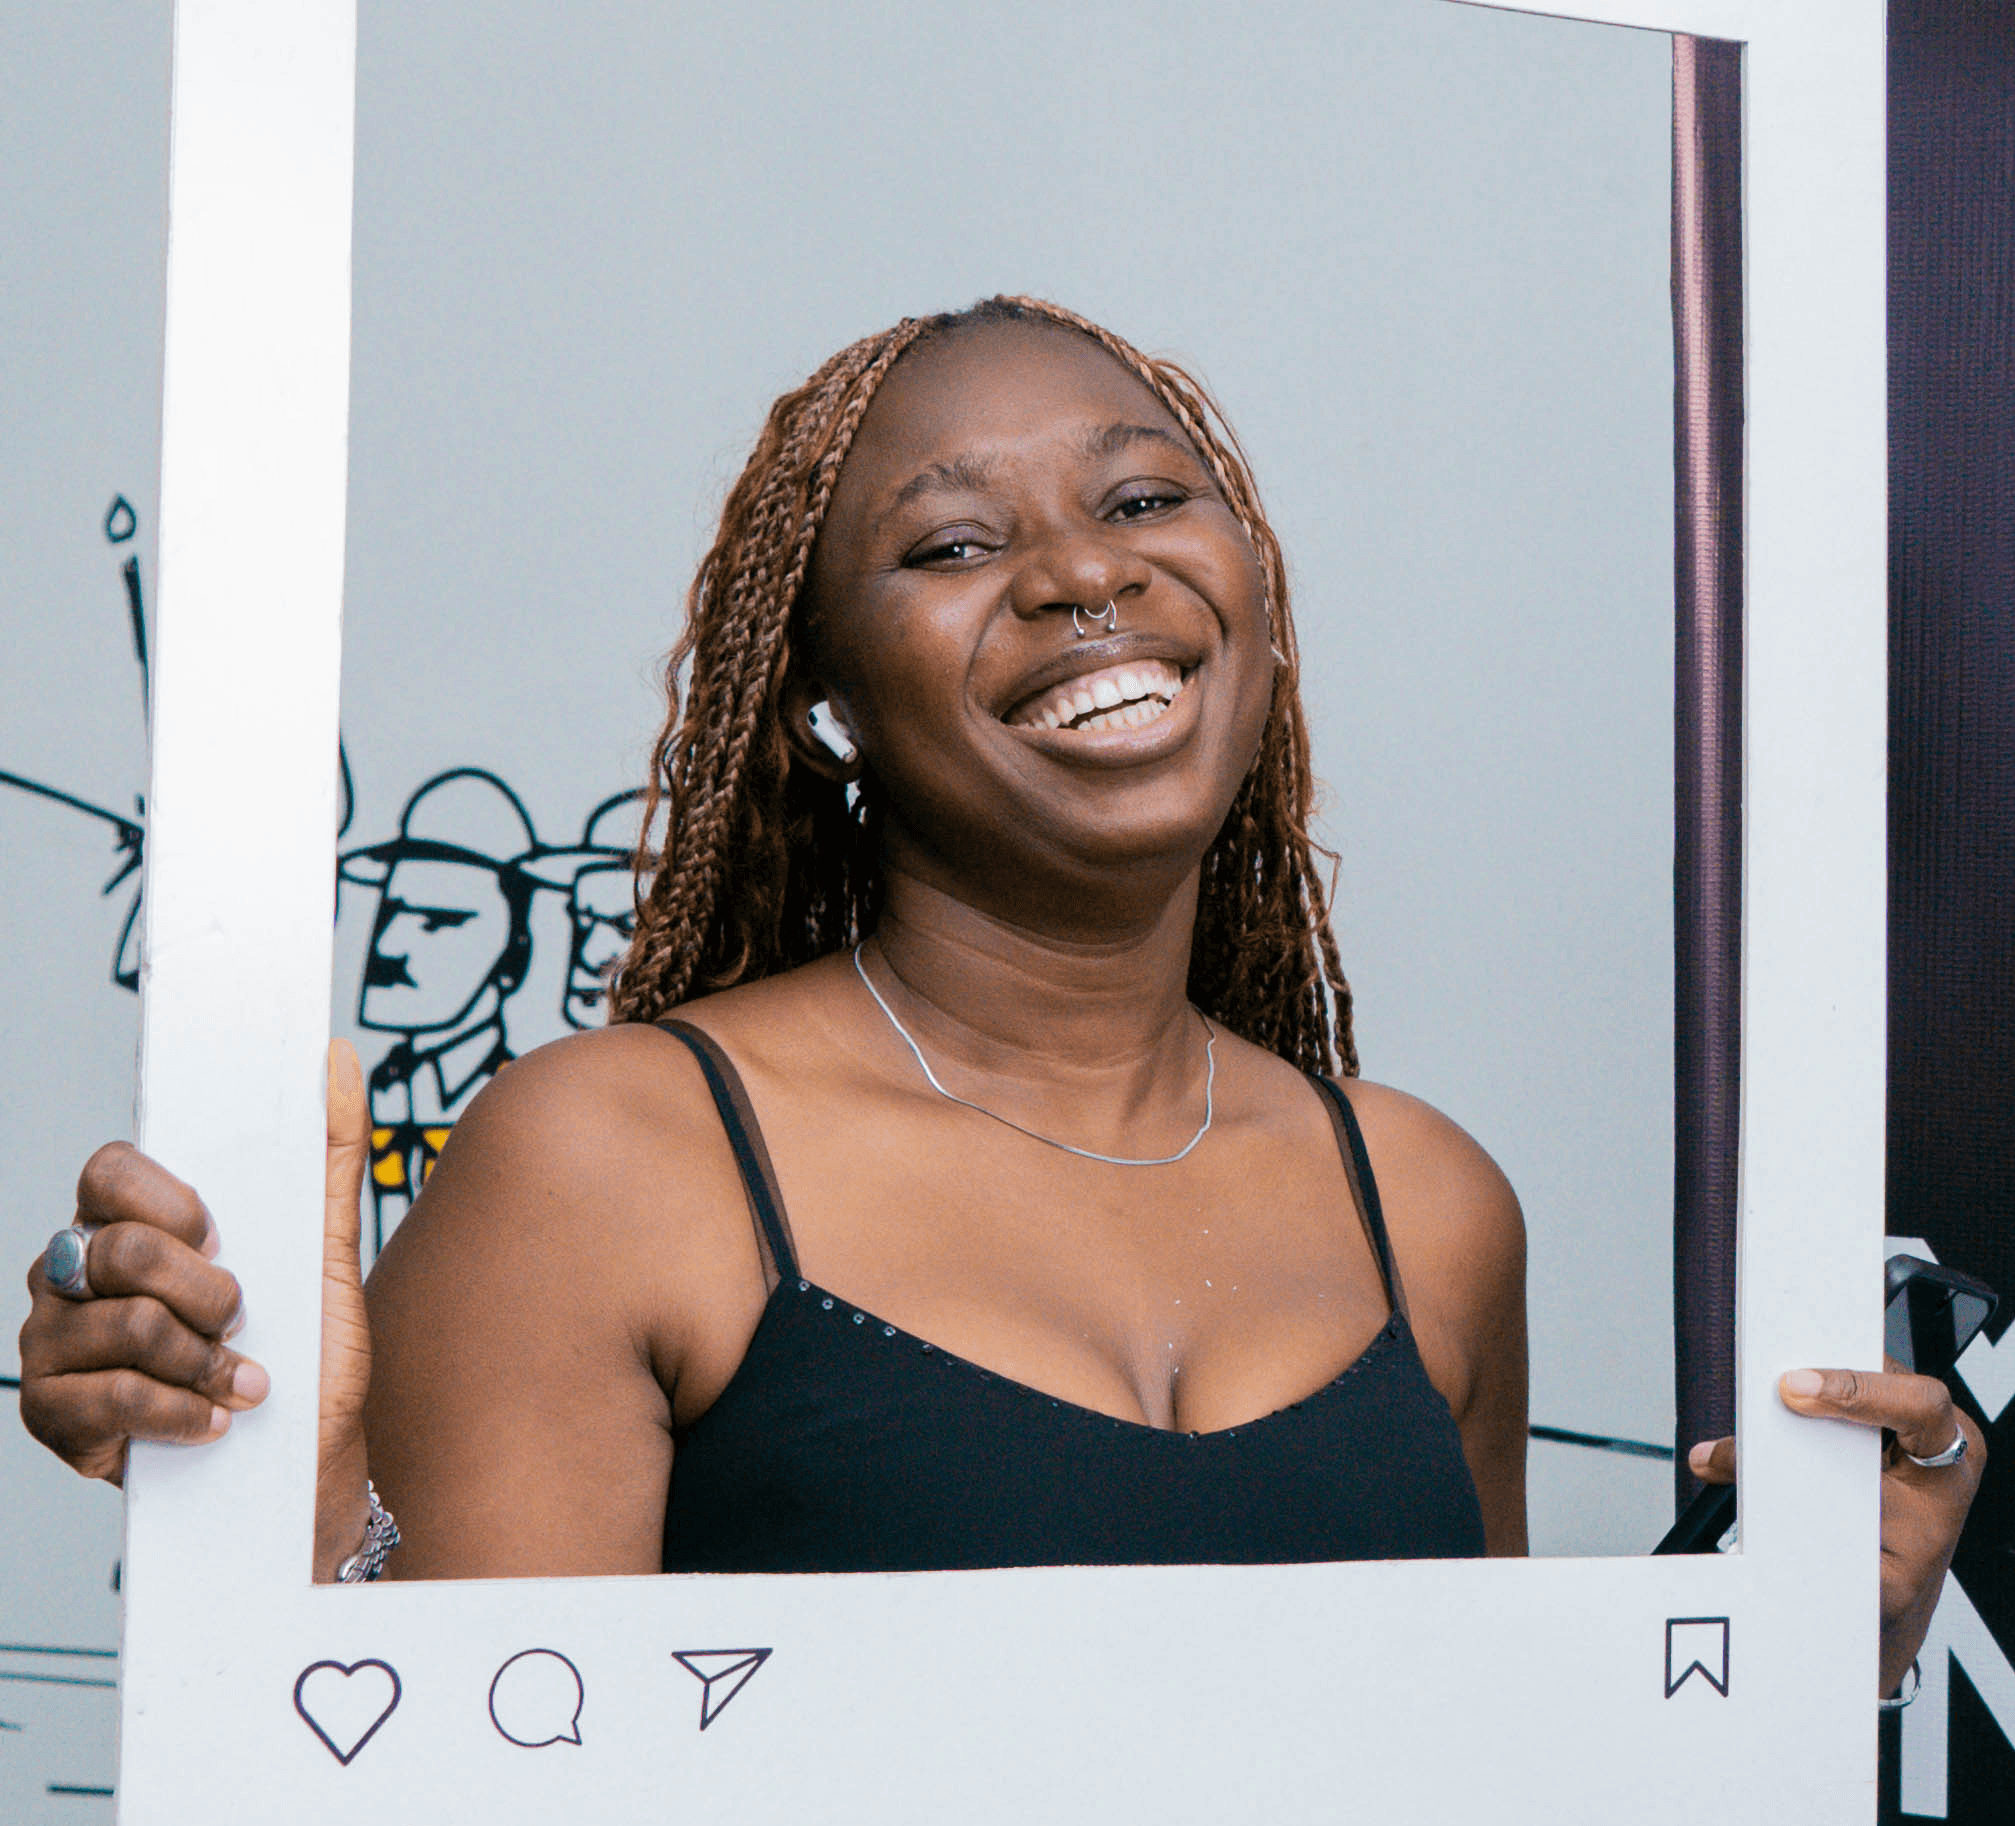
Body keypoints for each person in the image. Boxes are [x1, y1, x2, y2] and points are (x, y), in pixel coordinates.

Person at [17, 299, 1982, 1696]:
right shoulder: (615, 1159)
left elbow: (1463, 1767)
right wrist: (284, 1498)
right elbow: (433, 1774)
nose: (1080, 579)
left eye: (1142, 503)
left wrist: (1815, 1664)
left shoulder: (1429, 1205)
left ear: (1248, 589)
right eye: (953, 545)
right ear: (824, 704)